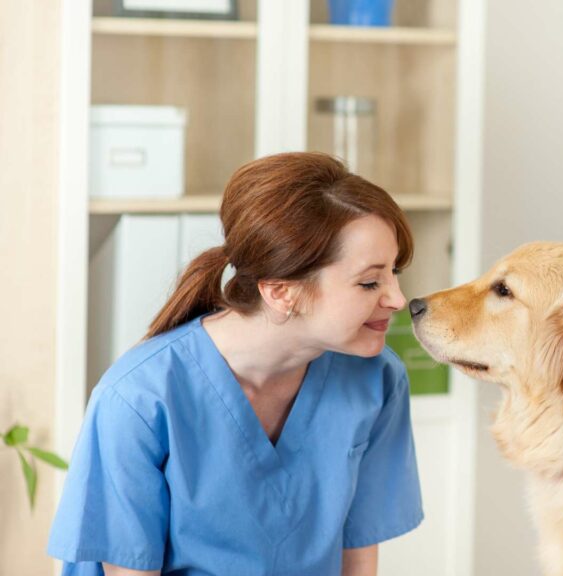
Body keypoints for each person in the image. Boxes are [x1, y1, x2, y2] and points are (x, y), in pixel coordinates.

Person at [48, 152, 423, 575]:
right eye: (370, 281)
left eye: (395, 271)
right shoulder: (139, 398)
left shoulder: (376, 380)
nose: (397, 298)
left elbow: (357, 558)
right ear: (281, 292)